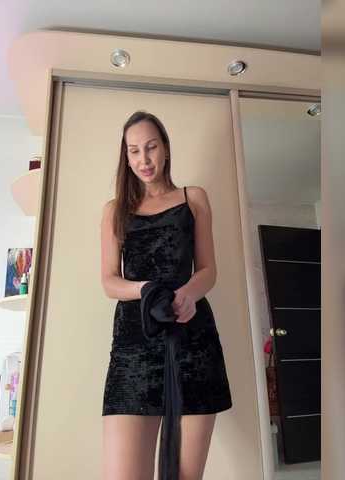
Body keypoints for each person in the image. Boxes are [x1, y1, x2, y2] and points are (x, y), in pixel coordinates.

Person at [101, 110, 233, 480]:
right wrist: (144, 289)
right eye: (134, 151)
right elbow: (109, 281)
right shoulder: (114, 211)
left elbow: (208, 269)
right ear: (126, 157)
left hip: (192, 342)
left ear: (166, 149)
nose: (144, 159)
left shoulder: (194, 198)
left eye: (151, 147)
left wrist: (188, 293)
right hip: (133, 346)